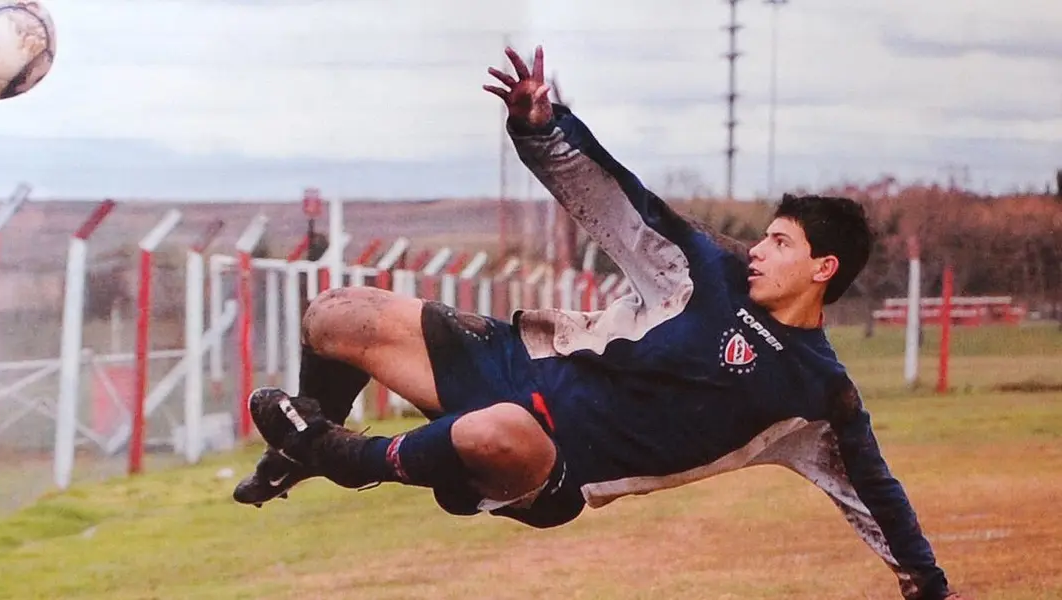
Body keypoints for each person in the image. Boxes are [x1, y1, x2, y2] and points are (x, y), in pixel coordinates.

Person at [232, 46, 963, 600]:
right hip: (508, 364)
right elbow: (618, 200)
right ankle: (306, 444)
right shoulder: (706, 272)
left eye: (780, 242)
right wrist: (543, 125)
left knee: (498, 429)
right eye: (765, 236)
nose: (760, 249)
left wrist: (923, 580)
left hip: (551, 465)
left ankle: (347, 459)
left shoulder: (815, 394)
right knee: (334, 314)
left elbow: (874, 490)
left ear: (824, 268)